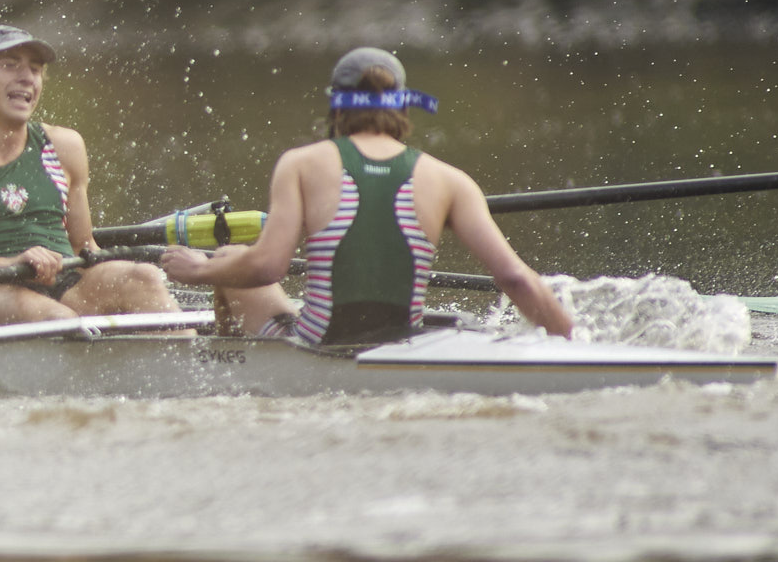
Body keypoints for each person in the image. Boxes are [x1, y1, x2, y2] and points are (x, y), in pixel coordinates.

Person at [159, 47, 574, 342]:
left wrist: (197, 269)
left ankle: (228, 371)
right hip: (402, 346)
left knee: (230, 257)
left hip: (321, 347)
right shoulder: (451, 180)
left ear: (336, 109)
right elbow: (516, 278)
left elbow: (267, 266)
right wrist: (575, 349)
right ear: (403, 109)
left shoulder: (300, 164)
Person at [0, 24, 176, 326]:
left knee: (144, 277)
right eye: (9, 65)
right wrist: (12, 263)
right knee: (54, 318)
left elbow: (83, 247)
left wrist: (122, 279)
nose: (26, 77)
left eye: (35, 69)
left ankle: (185, 364)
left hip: (62, 284)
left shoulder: (64, 147)